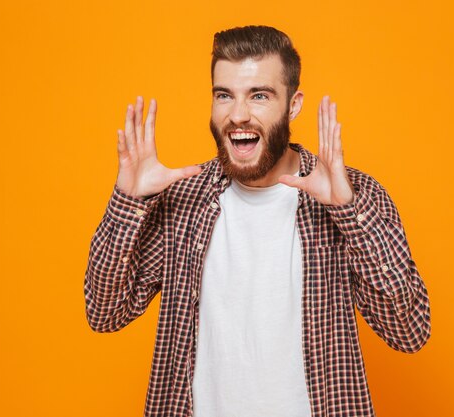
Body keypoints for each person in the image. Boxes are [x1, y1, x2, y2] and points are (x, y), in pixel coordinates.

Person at [83, 25, 431, 417]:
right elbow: (105, 313)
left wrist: (349, 214)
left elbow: (409, 332)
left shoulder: (353, 195)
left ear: (293, 105)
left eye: (259, 96)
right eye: (224, 95)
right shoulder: (181, 200)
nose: (238, 115)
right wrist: (127, 203)